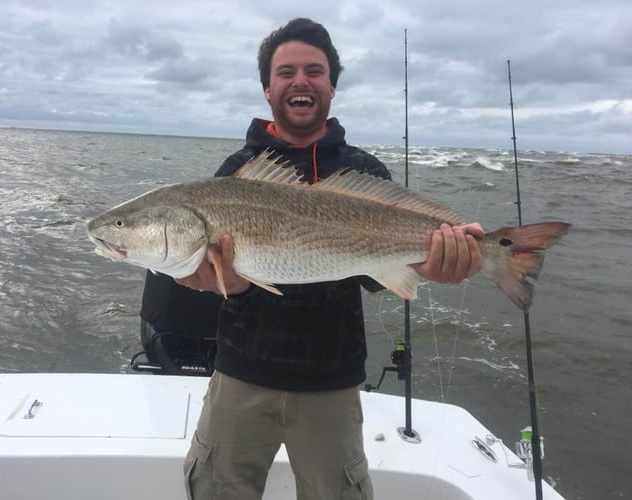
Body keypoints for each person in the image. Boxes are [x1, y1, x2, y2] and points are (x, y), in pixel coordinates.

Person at [173, 18, 483, 500]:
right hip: (241, 374)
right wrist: (226, 283)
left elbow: (379, 279)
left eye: (314, 70)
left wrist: (435, 261)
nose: (300, 80)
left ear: (332, 86)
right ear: (267, 88)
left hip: (331, 383)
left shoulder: (362, 171)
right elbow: (227, 282)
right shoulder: (234, 176)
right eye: (286, 71)